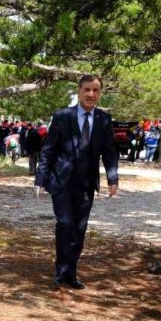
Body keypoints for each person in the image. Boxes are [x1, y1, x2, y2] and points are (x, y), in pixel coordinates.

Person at [34, 75, 119, 290]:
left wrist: (112, 178)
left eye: (95, 90)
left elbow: (109, 151)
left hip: (86, 185)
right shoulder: (62, 117)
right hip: (61, 182)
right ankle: (61, 271)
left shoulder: (104, 119)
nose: (91, 94)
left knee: (79, 230)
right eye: (87, 90)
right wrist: (40, 178)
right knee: (65, 224)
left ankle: (71, 273)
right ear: (79, 92)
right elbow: (48, 149)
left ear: (100, 93)